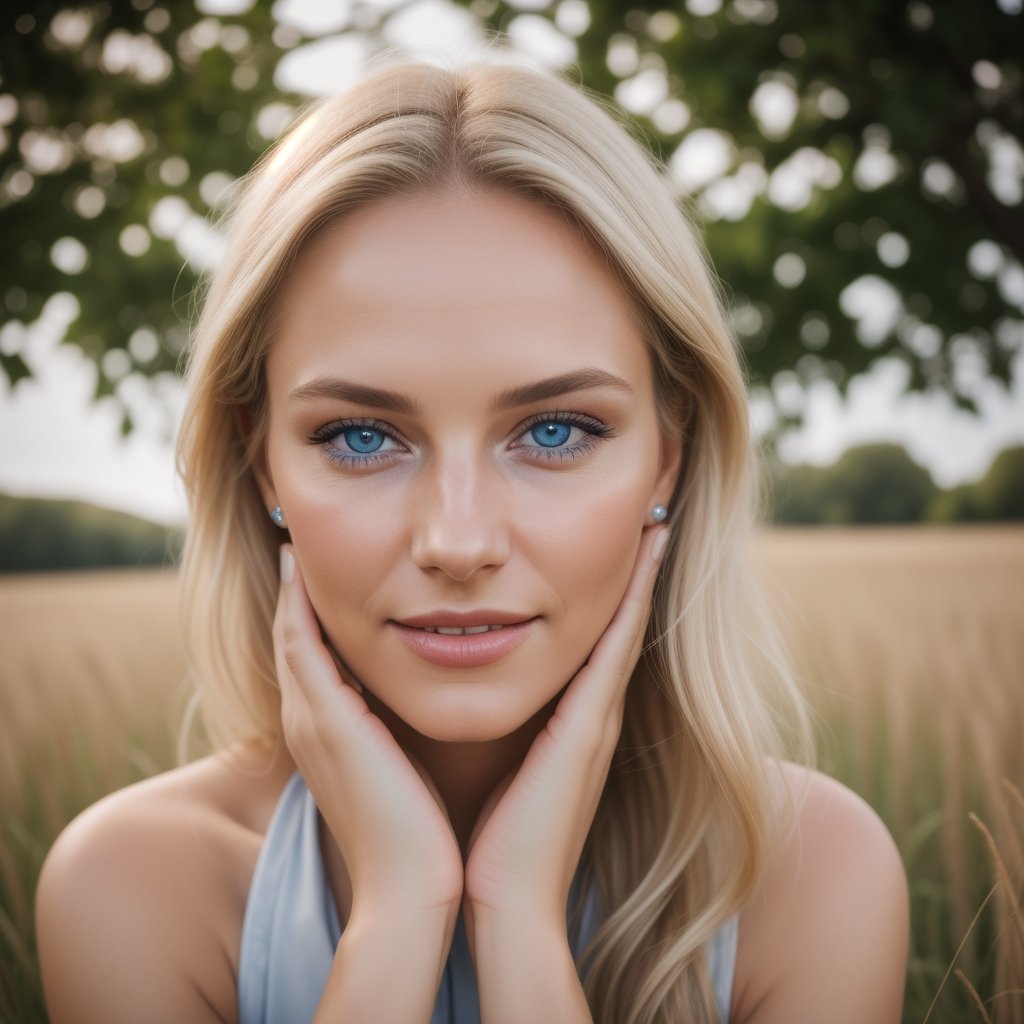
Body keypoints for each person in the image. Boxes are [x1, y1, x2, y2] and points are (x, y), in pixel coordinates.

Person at [35, 55, 909, 1023]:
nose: (457, 540)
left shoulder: (811, 875)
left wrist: (520, 921)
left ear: (668, 457)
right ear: (262, 466)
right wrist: (399, 912)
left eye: (554, 431)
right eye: (360, 436)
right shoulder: (134, 889)